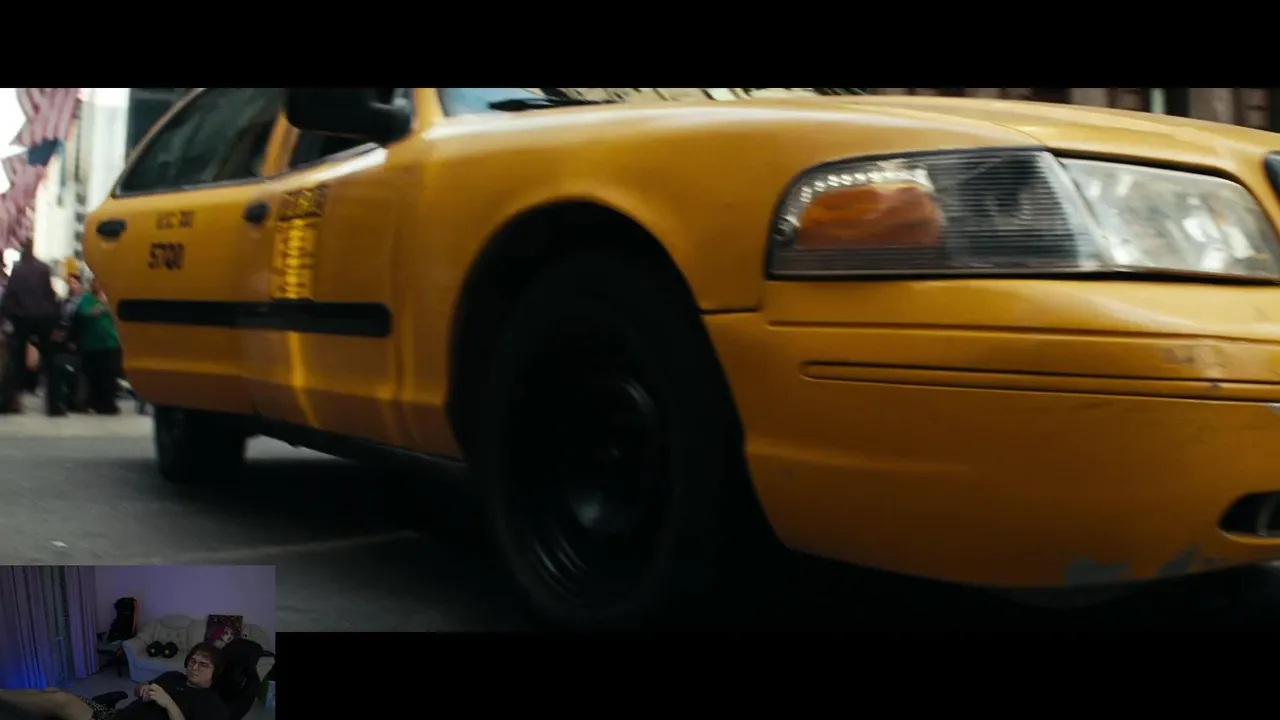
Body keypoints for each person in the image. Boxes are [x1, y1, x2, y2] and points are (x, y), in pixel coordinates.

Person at [0, 642, 229, 720]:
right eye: (192, 661)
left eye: (203, 665)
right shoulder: (173, 676)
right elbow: (136, 690)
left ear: (215, 672)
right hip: (117, 716)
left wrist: (168, 703)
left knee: (60, 700)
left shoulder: (213, 704)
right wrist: (142, 689)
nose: (194, 667)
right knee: (51, 690)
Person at [0, 240, 61, 415]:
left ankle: (7, 402)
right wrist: (56, 323)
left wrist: (4, 318)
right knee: (51, 363)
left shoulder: (18, 270)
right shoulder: (43, 268)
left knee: (15, 362)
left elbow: (9, 297)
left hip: (22, 319)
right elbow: (50, 296)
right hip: (44, 319)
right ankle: (54, 405)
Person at [74, 278, 122, 415]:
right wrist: (102, 306)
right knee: (94, 376)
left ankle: (109, 403)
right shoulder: (87, 299)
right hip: (93, 345)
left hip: (111, 342)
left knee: (110, 375)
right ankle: (95, 402)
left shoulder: (112, 298)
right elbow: (85, 314)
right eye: (98, 283)